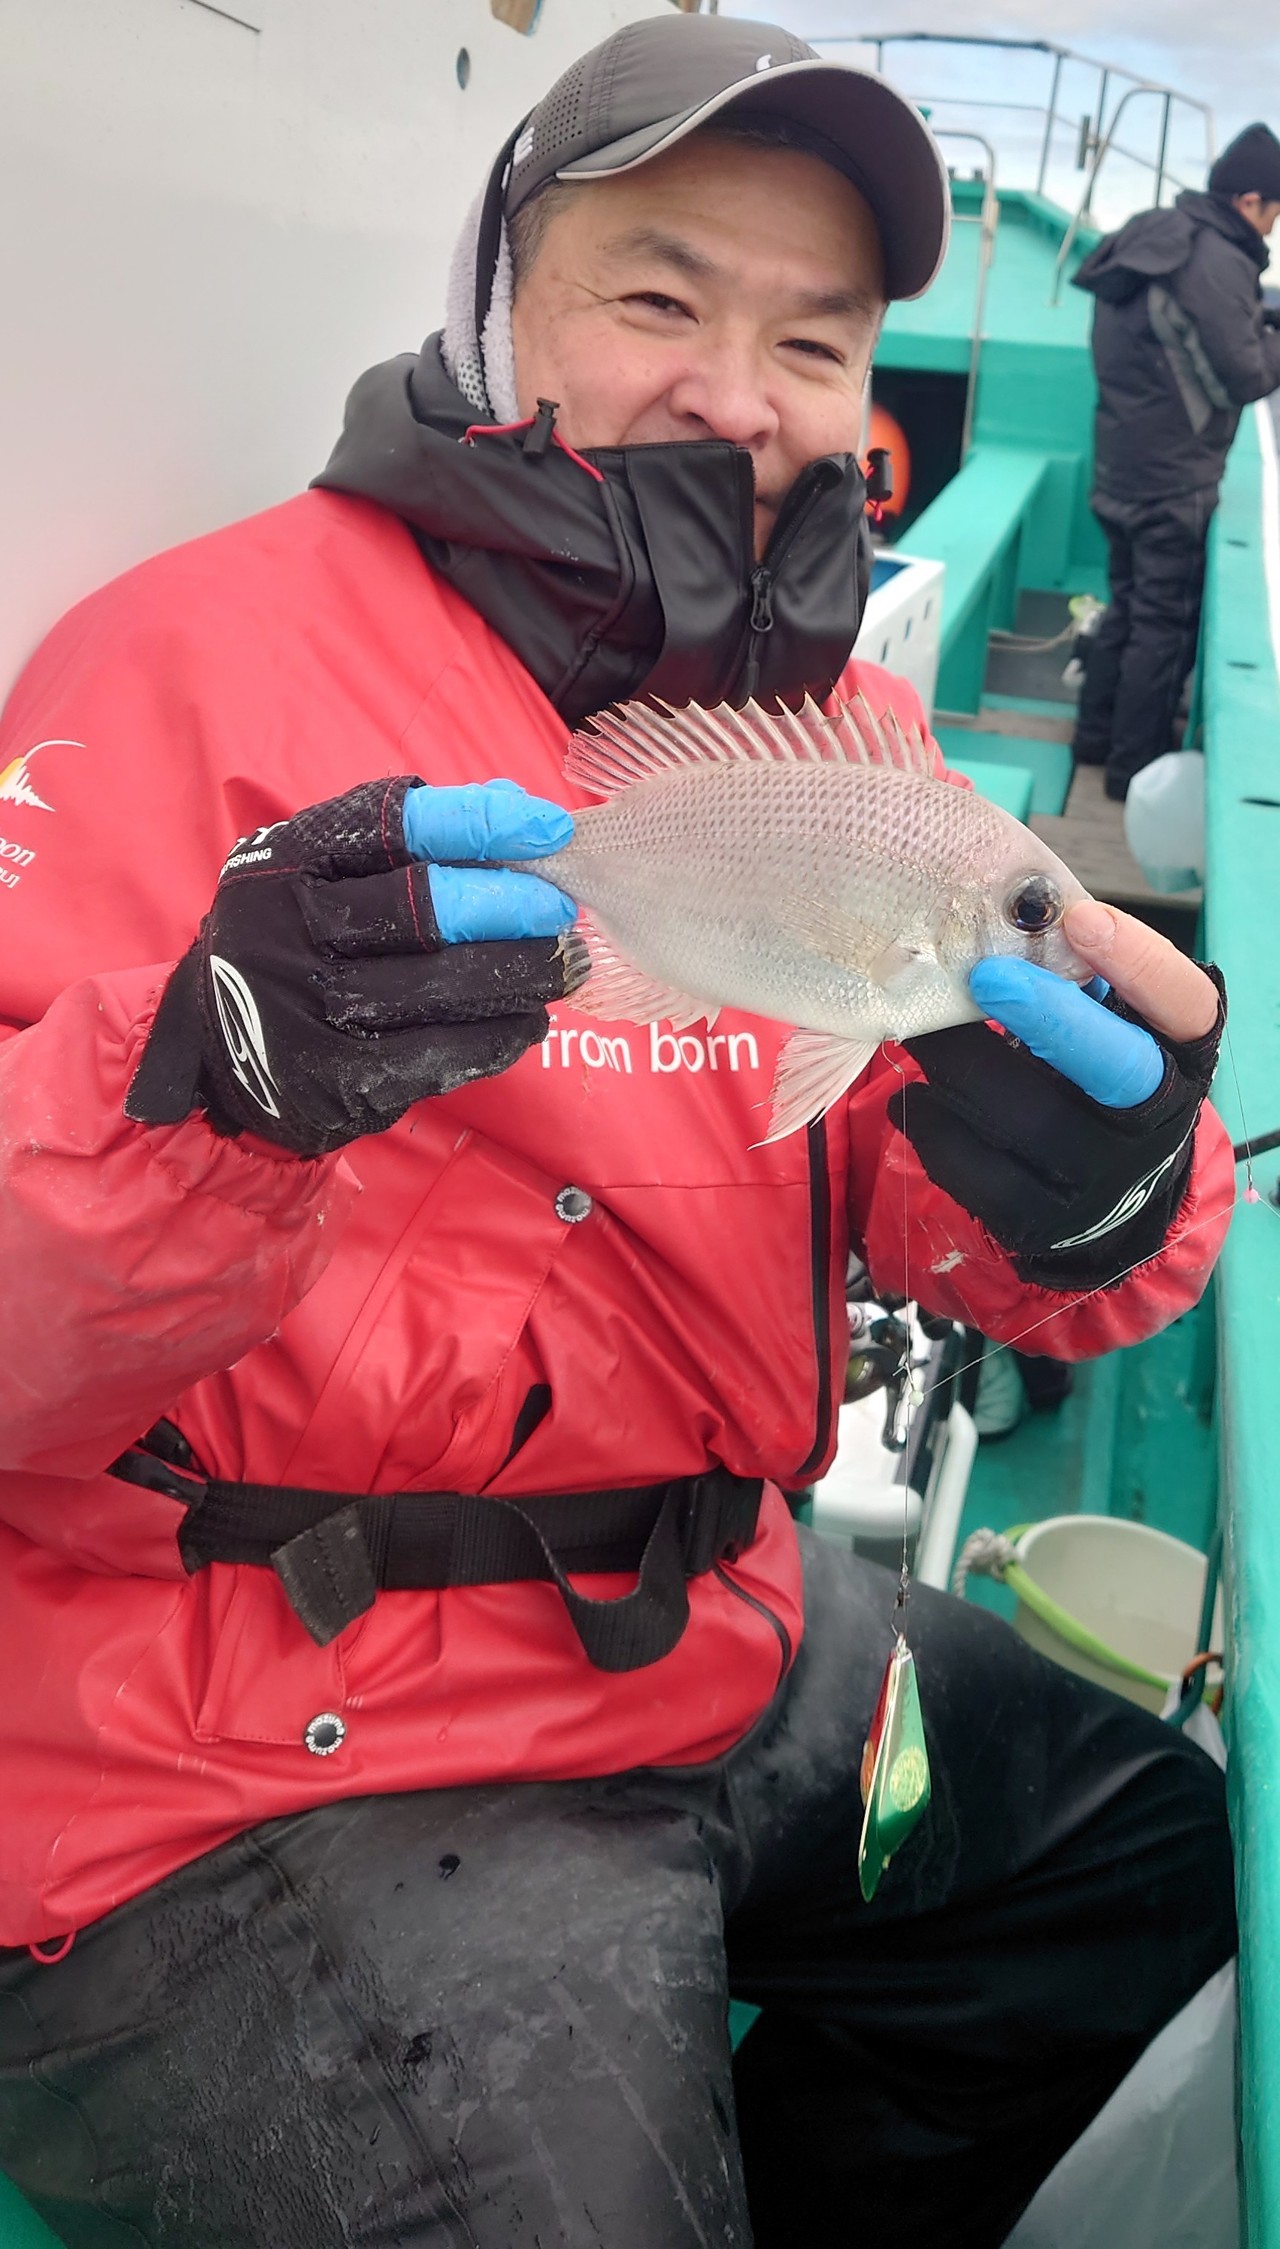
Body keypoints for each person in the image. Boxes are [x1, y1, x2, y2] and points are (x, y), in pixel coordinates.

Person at [0, 17, 1237, 2246]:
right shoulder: (179, 656)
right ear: (497, 310)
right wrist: (194, 1089)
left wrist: (1104, 1191)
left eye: (814, 339)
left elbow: (920, 1191)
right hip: (246, 1747)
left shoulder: (854, 732)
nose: (738, 393)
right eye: (659, 295)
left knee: (1145, 1858)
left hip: (704, 1636)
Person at [1072, 121, 1280, 799]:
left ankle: (1093, 738)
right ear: (1250, 200)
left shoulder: (1149, 233)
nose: (1273, 230)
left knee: (1126, 607)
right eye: (1274, 213)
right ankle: (1131, 772)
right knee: (1161, 627)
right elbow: (1247, 376)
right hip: (1174, 482)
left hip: (1119, 465)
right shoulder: (1218, 259)